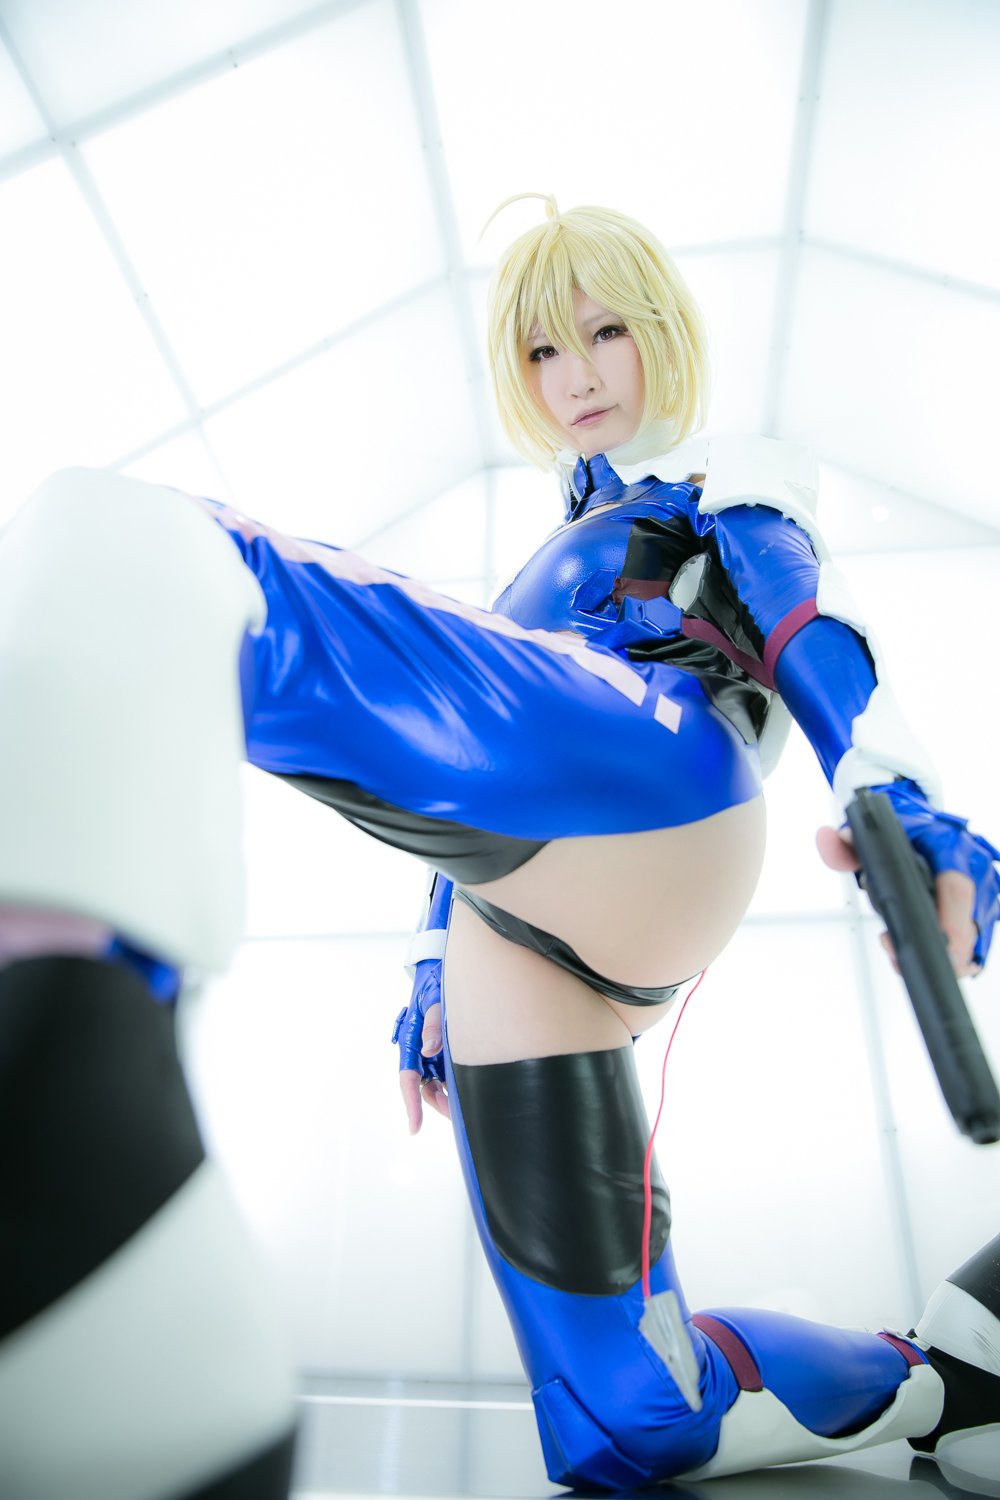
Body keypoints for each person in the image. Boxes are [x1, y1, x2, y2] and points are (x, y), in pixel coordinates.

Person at [0, 196, 996, 1497]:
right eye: (541, 350)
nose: (576, 373)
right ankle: (950, 1376)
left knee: (127, 533)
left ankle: (61, 1136)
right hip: (529, 912)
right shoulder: (544, 564)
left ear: (665, 331)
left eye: (606, 331)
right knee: (626, 1421)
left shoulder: (718, 479)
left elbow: (801, 609)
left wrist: (894, 789)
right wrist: (430, 966)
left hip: (655, 785)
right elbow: (472, 786)